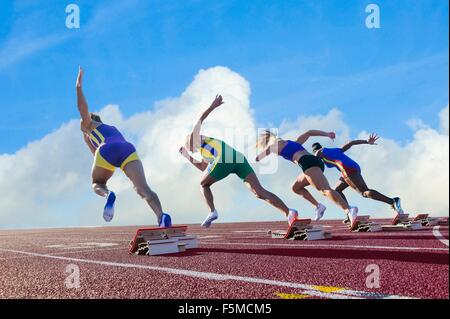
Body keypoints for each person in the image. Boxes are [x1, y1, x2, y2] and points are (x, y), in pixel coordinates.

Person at [179, 95, 298, 228]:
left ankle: (212, 211)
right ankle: (289, 212)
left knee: (202, 185)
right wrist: (187, 156)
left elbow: (200, 119)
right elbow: (203, 168)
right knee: (258, 192)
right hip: (237, 159)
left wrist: (213, 106)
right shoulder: (204, 150)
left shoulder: (193, 138)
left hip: (224, 159)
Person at [75, 67, 172, 227]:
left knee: (97, 184)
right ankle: (161, 216)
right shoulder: (109, 128)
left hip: (106, 151)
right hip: (127, 149)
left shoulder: (89, 124)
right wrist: (88, 141)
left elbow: (83, 110)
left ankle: (108, 195)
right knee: (143, 189)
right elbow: (98, 156)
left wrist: (78, 87)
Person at [256, 130, 359, 229]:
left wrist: (261, 153)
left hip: (307, 163)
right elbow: (309, 132)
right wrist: (327, 134)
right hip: (314, 162)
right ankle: (318, 206)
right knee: (296, 187)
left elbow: (258, 158)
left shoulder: (274, 145)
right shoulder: (294, 143)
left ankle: (349, 209)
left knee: (324, 189)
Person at [311, 133, 404, 224]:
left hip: (347, 170)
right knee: (337, 191)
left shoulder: (320, 152)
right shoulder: (334, 150)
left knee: (364, 192)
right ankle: (349, 213)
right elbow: (350, 143)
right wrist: (366, 141)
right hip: (351, 168)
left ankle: (392, 201)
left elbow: (317, 154)